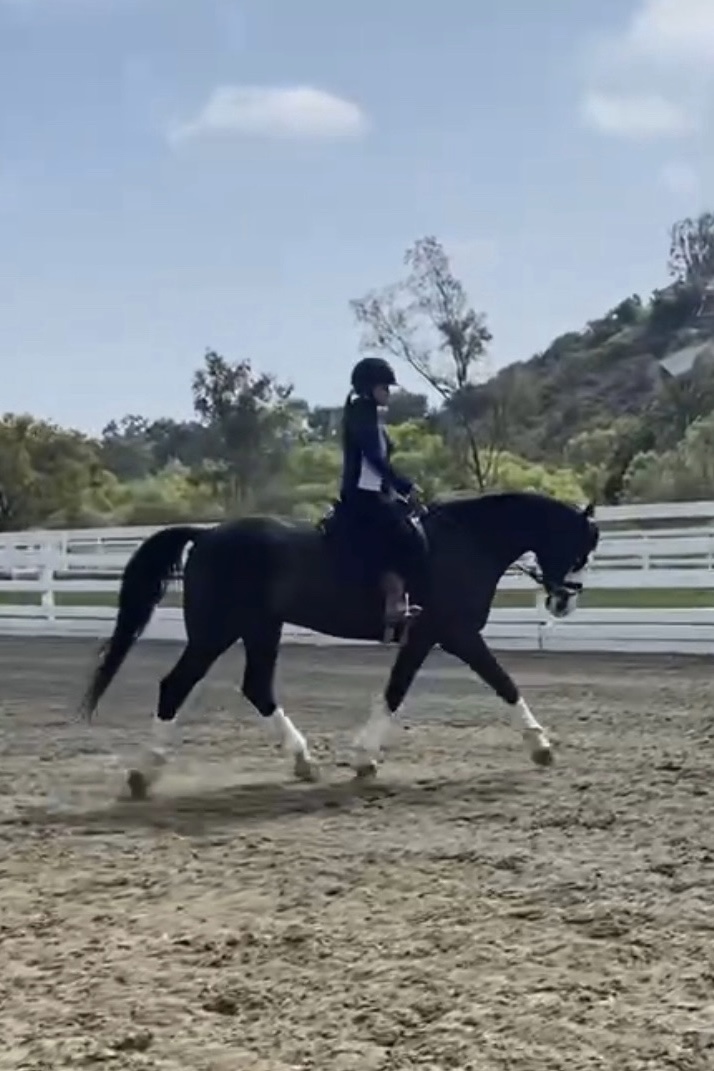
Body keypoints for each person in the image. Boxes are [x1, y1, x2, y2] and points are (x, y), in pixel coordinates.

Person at [339, 356, 429, 636]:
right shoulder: (361, 414)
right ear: (370, 388)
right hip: (362, 497)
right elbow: (375, 459)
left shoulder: (367, 414)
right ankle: (394, 605)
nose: (389, 393)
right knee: (405, 536)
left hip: (374, 493)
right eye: (385, 387)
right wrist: (405, 486)